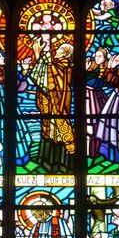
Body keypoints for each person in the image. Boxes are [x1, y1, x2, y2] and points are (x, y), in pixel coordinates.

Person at [30, 39, 75, 171]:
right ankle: (49, 162)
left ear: (66, 55)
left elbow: (45, 80)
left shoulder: (63, 66)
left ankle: (61, 164)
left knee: (58, 131)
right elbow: (46, 78)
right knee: (50, 131)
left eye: (60, 50)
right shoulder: (59, 66)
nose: (57, 51)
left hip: (59, 104)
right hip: (54, 104)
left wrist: (37, 53)